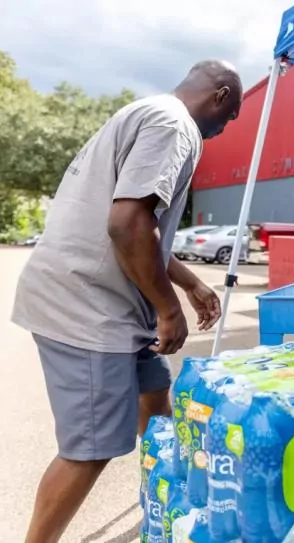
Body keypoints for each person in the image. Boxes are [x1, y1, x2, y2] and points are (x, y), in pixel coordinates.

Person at [11, 60, 243, 543]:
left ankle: (166, 495)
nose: (226, 128)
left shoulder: (148, 112)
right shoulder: (174, 126)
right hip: (86, 308)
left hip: (114, 304)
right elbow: (127, 224)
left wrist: (190, 284)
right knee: (90, 448)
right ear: (219, 95)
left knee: (155, 399)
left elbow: (140, 230)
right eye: (230, 116)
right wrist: (169, 310)